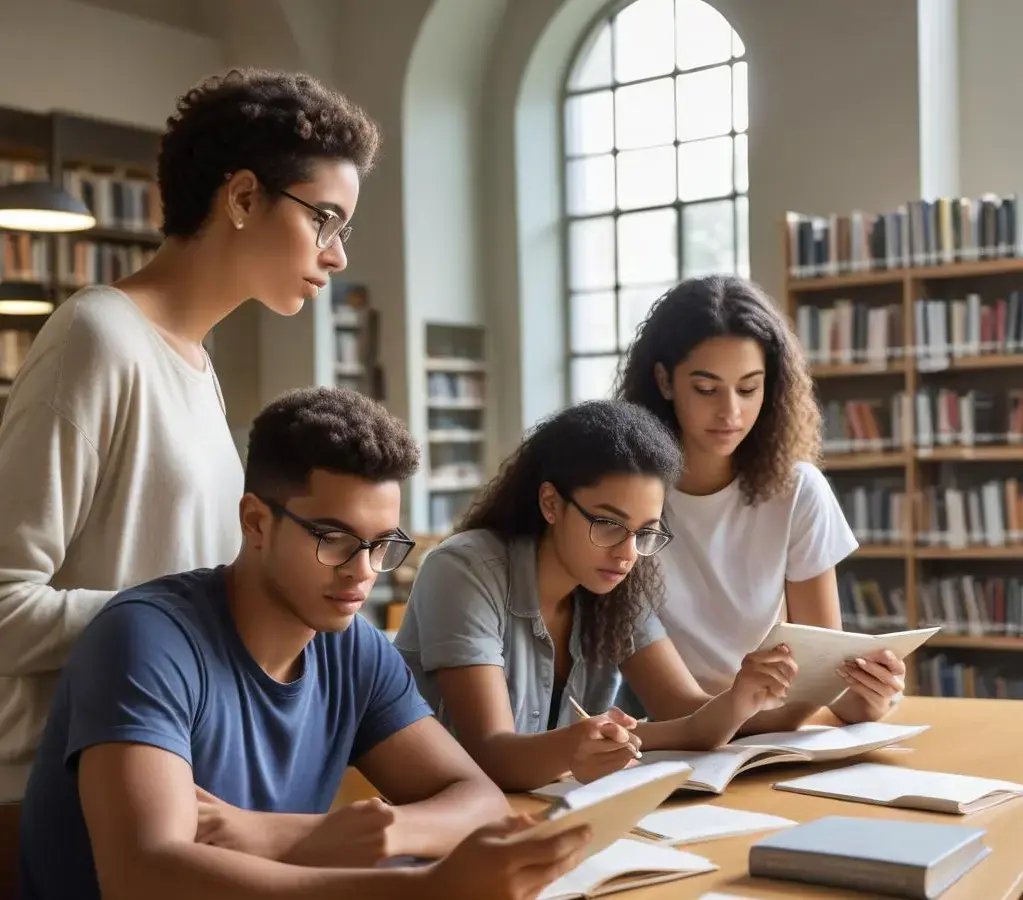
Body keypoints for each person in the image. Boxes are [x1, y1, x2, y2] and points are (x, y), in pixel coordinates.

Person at [17, 386, 592, 900]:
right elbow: (145, 877)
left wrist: (303, 835)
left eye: (381, 544)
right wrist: (422, 887)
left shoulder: (352, 649)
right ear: (256, 523)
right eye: (334, 539)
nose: (363, 572)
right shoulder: (144, 639)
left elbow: (478, 799)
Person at [0, 67, 378, 800]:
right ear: (241, 197)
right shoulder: (97, 337)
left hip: (169, 774)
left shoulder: (197, 366)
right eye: (323, 220)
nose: (335, 255)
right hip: (64, 793)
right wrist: (210, 612)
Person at [394, 400, 798, 792]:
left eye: (645, 532)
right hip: (439, 815)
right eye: (608, 524)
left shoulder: (615, 583)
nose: (627, 553)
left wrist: (740, 699)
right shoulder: (465, 570)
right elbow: (490, 753)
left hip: (536, 812)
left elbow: (684, 714)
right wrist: (579, 744)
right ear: (551, 503)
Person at [614, 274, 905, 725]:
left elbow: (825, 672)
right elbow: (675, 709)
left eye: (749, 388)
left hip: (774, 739)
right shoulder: (622, 500)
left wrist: (866, 697)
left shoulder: (798, 490)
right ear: (664, 381)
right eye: (707, 389)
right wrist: (795, 710)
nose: (731, 412)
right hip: (677, 744)